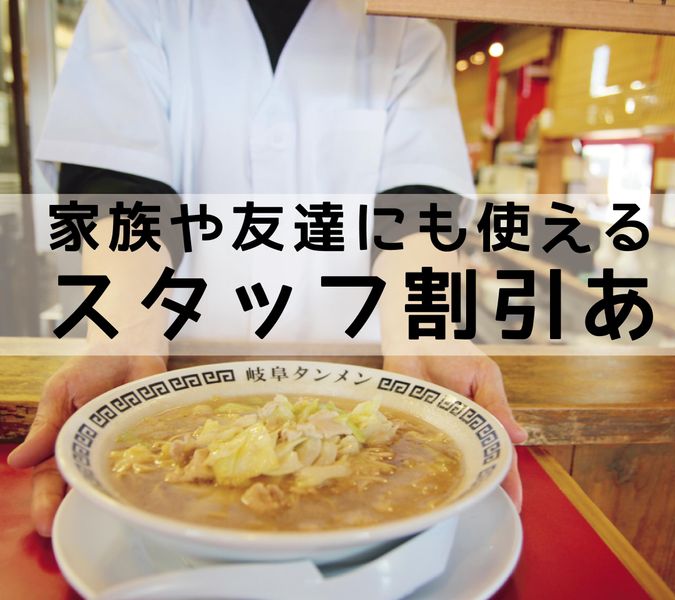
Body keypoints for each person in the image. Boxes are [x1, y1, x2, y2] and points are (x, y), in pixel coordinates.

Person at [8, 0, 527, 537]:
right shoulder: (133, 7)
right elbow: (122, 193)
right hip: (172, 369)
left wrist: (428, 337)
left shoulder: (407, 28)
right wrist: (123, 342)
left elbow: (417, 212)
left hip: (371, 378)